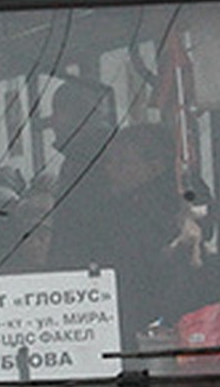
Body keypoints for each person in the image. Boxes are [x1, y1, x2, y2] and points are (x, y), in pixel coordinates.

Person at [51, 123, 206, 337]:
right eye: (109, 162)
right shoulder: (110, 211)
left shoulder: (174, 212)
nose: (109, 169)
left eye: (122, 162)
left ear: (155, 167)